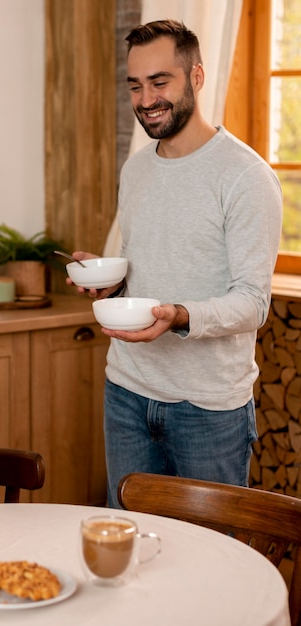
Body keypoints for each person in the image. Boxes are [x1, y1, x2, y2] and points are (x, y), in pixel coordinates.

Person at [70, 20, 283, 508]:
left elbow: (253, 304)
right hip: (127, 391)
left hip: (208, 409)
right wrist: (106, 282)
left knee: (211, 558)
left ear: (197, 77)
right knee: (130, 548)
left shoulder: (246, 176)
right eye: (135, 85)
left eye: (160, 82)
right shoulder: (137, 168)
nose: (146, 99)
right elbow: (145, 270)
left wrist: (178, 315)